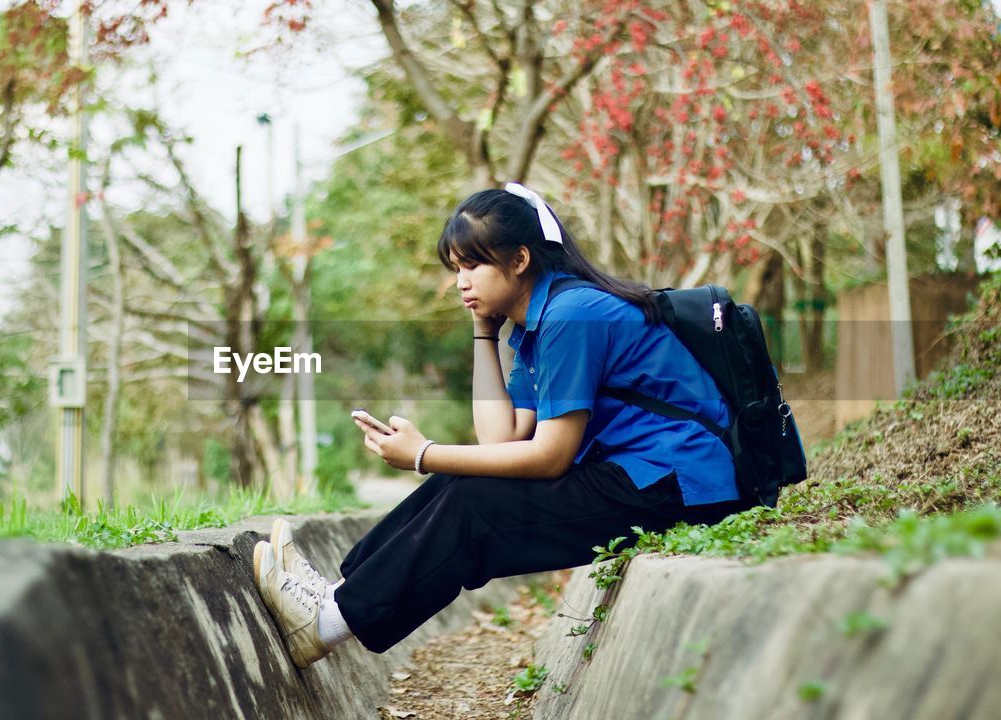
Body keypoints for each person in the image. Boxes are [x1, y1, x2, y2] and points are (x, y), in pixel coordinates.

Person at [252, 182, 753, 669]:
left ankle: (323, 623)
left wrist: (423, 455)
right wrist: (483, 332)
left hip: (679, 484)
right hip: (643, 476)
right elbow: (501, 441)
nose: (461, 281)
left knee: (475, 503)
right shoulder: (539, 321)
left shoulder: (571, 316)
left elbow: (549, 455)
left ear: (519, 260)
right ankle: (333, 598)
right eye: (456, 268)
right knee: (466, 478)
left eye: (474, 264)